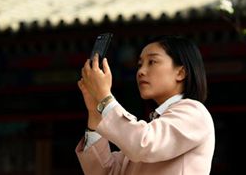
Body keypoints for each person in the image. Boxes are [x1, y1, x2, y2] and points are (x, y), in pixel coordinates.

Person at [75, 35, 215, 174]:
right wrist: (95, 110)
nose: (141, 71)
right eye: (140, 64)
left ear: (181, 72)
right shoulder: (149, 129)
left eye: (152, 62)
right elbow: (105, 172)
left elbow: (143, 144)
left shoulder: (195, 113)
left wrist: (105, 98)